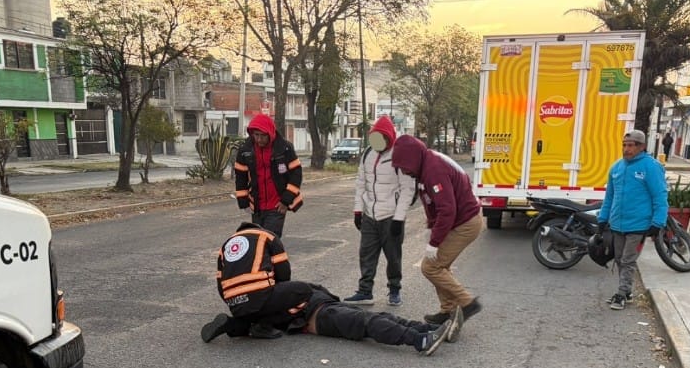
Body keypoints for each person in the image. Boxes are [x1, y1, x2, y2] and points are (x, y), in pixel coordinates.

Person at [203, 223, 462, 355]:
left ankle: (425, 329)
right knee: (367, 322)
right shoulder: (267, 237)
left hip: (243, 305)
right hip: (315, 312)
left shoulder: (227, 246)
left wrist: (236, 311)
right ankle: (420, 340)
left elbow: (221, 285)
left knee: (375, 317)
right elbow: (284, 275)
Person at [390, 134, 483, 325]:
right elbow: (433, 204)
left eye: (404, 166)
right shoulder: (426, 163)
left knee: (431, 267)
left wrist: (435, 242)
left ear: (412, 158)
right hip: (462, 220)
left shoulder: (433, 170)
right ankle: (447, 309)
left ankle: (467, 302)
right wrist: (432, 228)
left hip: (465, 223)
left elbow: (447, 210)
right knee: (440, 266)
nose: (404, 171)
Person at [344, 115, 417, 308]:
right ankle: (365, 291)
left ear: (389, 137)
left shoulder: (399, 156)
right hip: (370, 215)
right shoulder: (368, 153)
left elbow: (407, 189)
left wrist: (399, 219)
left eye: (381, 138)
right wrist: (358, 210)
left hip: (390, 216)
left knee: (393, 257)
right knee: (366, 254)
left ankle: (394, 290)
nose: (377, 142)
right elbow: (361, 183)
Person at [596, 129, 668, 311]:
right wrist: (602, 219)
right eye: (624, 145)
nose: (626, 149)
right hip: (617, 224)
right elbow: (609, 197)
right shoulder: (616, 168)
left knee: (628, 260)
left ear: (642, 147)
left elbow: (660, 197)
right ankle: (627, 292)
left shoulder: (651, 167)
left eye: (631, 146)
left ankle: (621, 294)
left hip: (639, 225)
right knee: (619, 259)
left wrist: (657, 223)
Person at [233, 114, 303, 237]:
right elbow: (240, 177)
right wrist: (243, 201)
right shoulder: (245, 150)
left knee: (269, 239)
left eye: (263, 136)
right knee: (258, 239)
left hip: (277, 204)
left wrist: (286, 200)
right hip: (257, 205)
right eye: (256, 135)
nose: (259, 139)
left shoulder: (284, 149)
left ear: (270, 133)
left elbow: (296, 174)